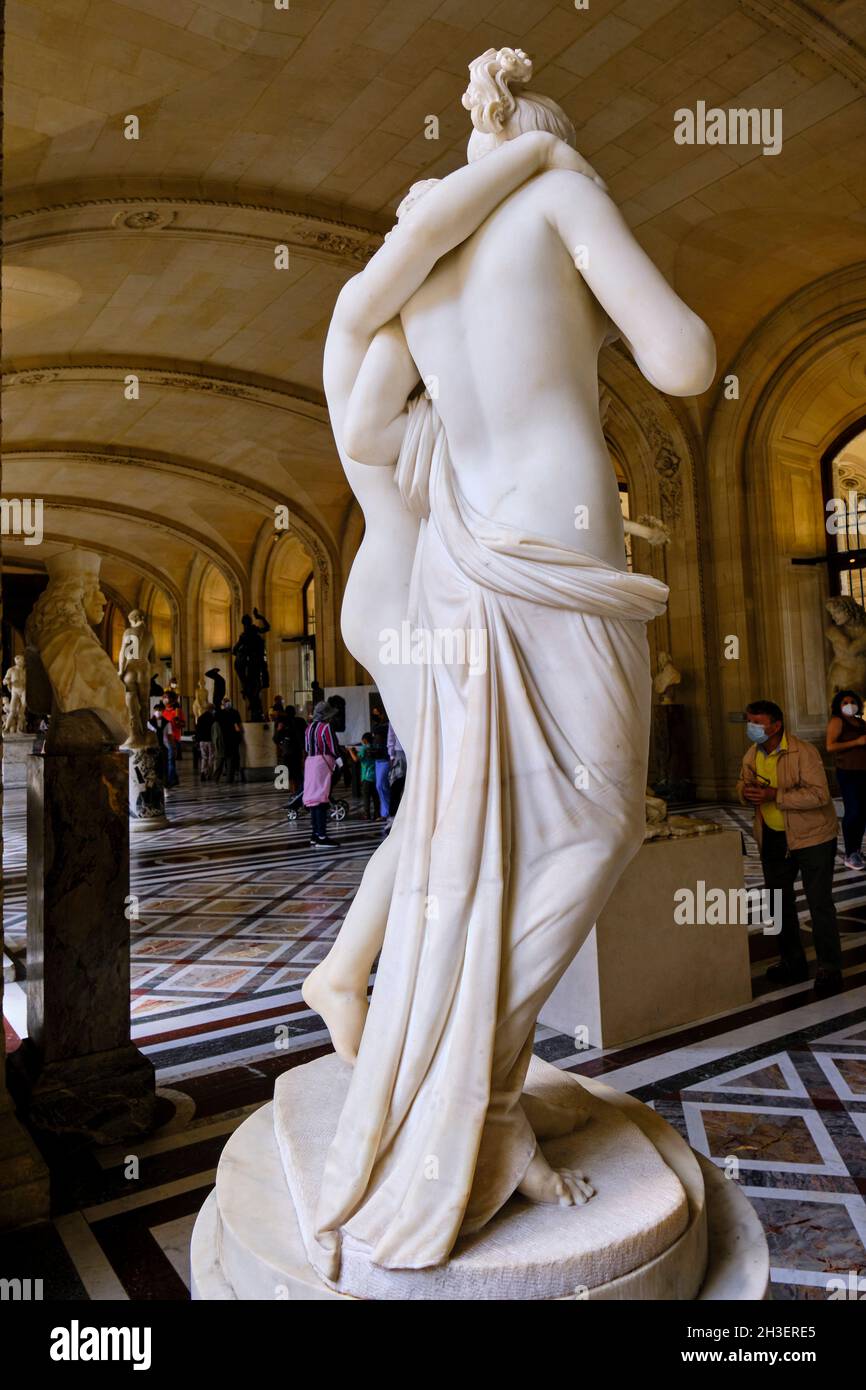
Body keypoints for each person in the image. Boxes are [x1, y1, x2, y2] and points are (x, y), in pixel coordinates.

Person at [738, 699, 842, 997]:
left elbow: (820, 795)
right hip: (773, 835)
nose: (752, 728)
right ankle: (792, 961)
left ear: (776, 725)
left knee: (818, 901)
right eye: (749, 721)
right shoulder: (752, 754)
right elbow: (741, 783)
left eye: (757, 723)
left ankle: (830, 968)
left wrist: (775, 795)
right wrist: (745, 792)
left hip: (813, 837)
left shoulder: (803, 752)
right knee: (778, 903)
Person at [826, 688, 866, 870]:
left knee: (863, 813)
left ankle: (857, 850)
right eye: (845, 702)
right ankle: (850, 853)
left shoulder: (860, 722)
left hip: (864, 772)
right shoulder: (837, 721)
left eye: (852, 701)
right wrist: (856, 742)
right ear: (838, 705)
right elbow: (830, 746)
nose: (850, 705)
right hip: (849, 773)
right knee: (853, 811)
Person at [304, 701, 341, 848]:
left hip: (310, 763)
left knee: (313, 800)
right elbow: (333, 747)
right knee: (322, 799)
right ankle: (322, 836)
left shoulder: (309, 728)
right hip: (322, 764)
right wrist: (340, 762)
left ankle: (314, 834)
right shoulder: (326, 728)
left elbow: (307, 747)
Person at [369, 705, 391, 821]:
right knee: (381, 786)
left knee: (381, 785)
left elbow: (377, 730)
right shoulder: (378, 727)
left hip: (386, 758)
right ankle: (385, 812)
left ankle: (387, 812)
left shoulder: (386, 726)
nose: (375, 716)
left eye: (377, 713)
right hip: (378, 758)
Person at [215, 696, 242, 783]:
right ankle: (218, 778)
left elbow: (238, 724)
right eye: (226, 702)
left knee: (230, 759)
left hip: (232, 738)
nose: (227, 703)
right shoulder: (220, 713)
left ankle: (229, 778)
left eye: (228, 701)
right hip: (224, 738)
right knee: (222, 759)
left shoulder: (234, 712)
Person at [386, 723, 406, 822]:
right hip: (400, 751)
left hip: (414, 749)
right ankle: (394, 815)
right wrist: (392, 755)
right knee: (397, 784)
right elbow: (391, 733)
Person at [355, 732, 377, 820]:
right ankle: (377, 813)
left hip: (366, 777)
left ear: (364, 740)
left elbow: (356, 759)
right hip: (374, 776)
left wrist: (350, 751)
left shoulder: (364, 748)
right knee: (375, 796)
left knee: (366, 797)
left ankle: (366, 814)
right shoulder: (374, 747)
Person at [195, 701, 216, 781]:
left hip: (202, 741)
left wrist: (197, 740)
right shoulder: (213, 718)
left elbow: (197, 730)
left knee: (204, 757)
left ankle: (203, 771)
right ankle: (209, 774)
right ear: (211, 709)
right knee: (211, 757)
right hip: (210, 740)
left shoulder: (200, 718)